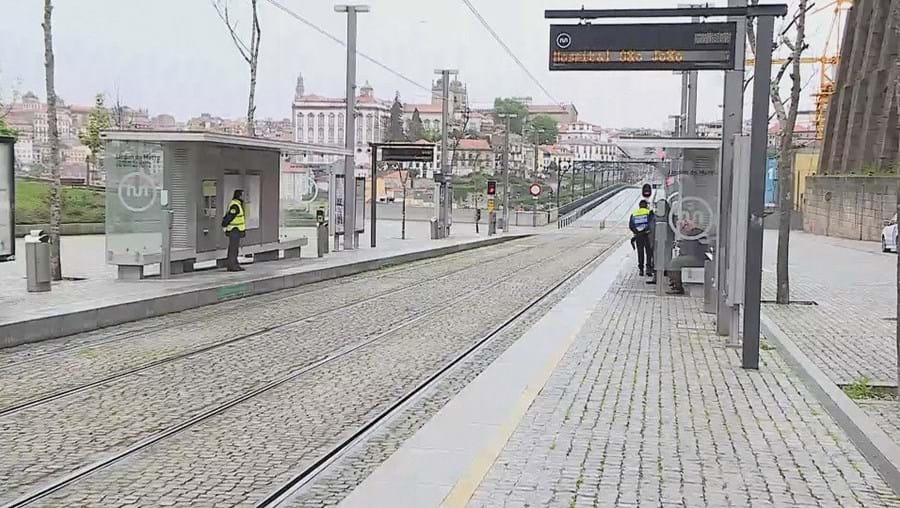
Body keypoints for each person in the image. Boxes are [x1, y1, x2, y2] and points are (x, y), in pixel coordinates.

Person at [221, 189, 246, 272]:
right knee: (233, 248)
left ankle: (235, 264)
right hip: (234, 230)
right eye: (243, 195)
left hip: (236, 230)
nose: (244, 197)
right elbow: (229, 217)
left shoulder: (238, 204)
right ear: (239, 196)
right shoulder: (235, 206)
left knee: (235, 248)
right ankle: (232, 265)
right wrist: (224, 225)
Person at [628, 199, 654, 277]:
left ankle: (641, 270)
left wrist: (636, 232)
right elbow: (652, 223)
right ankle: (648, 269)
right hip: (647, 235)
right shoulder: (649, 212)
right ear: (646, 206)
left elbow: (631, 225)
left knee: (640, 252)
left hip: (638, 236)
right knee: (649, 252)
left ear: (639, 206)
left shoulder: (634, 213)